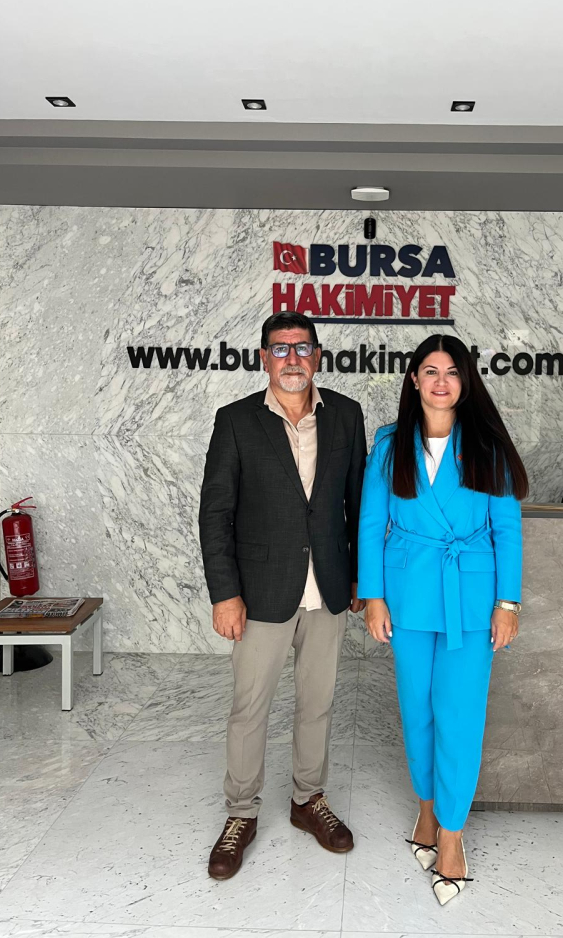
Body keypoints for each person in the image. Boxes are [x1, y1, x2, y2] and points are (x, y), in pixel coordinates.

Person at [357, 334, 528, 905]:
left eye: (452, 371)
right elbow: (370, 524)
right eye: (429, 371)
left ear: (465, 381)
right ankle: (426, 807)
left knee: (460, 716)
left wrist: (507, 604)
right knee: (418, 711)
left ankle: (451, 834)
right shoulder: (389, 445)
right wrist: (373, 597)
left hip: (470, 600)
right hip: (407, 595)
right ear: (413, 380)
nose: (440, 381)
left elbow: (507, 529)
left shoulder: (487, 445)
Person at [199, 311, 367, 881]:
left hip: (329, 588)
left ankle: (307, 799)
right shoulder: (236, 421)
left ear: (317, 355)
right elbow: (215, 513)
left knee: (317, 703)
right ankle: (241, 813)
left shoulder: (345, 414)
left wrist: (361, 578)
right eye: (280, 348)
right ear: (263, 358)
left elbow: (359, 506)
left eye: (302, 347)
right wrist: (225, 594)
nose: (292, 358)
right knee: (250, 707)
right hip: (261, 592)